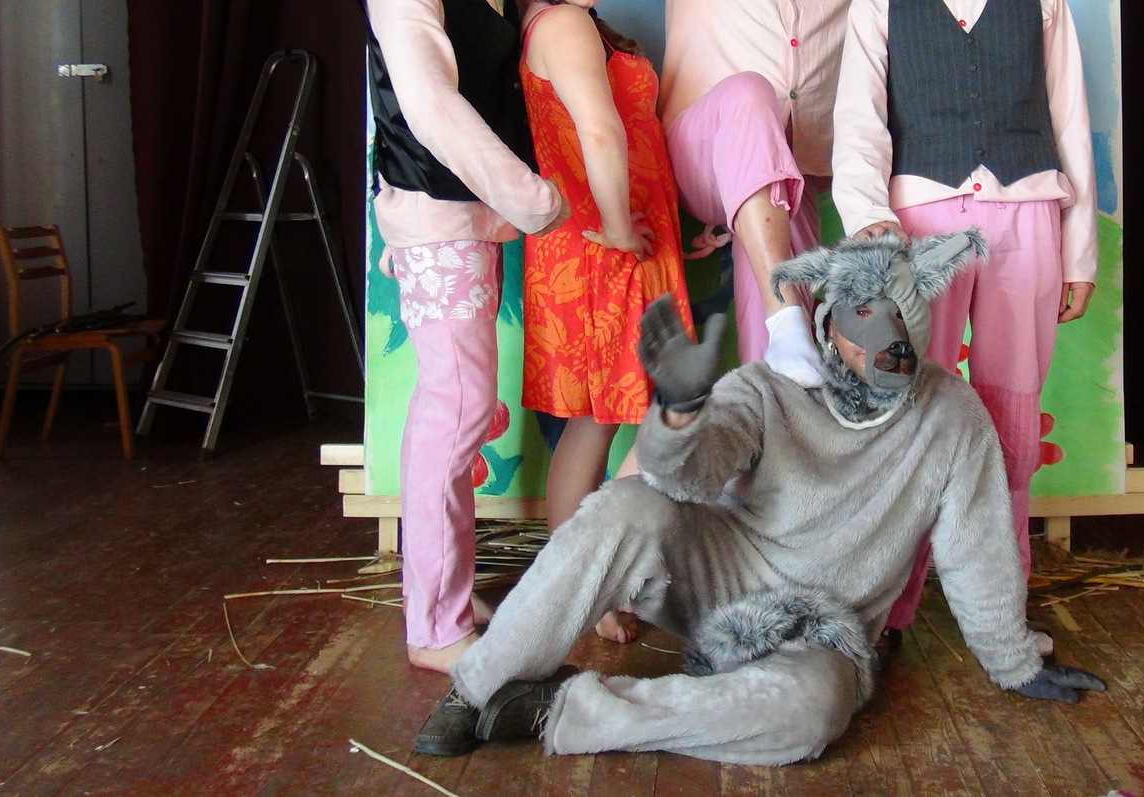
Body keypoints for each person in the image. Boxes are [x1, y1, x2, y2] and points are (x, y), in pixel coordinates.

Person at [411, 234, 1106, 765]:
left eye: (898, 318)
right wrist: (680, 414)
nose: (881, 341)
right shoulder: (770, 386)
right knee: (624, 507)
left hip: (823, 629)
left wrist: (1015, 663)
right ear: (827, 320)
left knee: (812, 712)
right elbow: (687, 478)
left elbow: (976, 548)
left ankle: (560, 709)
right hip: (717, 578)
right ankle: (478, 688)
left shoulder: (951, 417)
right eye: (862, 316)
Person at [555, 0, 976, 390]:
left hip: (792, 176)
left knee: (786, 359)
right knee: (751, 93)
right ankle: (787, 323)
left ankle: (782, 372)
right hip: (702, 153)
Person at [831, 0, 1099, 639]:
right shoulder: (880, 2)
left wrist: (1080, 251)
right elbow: (859, 123)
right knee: (914, 400)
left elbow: (1070, 121)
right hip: (920, 223)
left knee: (1012, 405)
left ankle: (998, 596)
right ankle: (894, 604)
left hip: (1026, 214)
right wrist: (871, 219)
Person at [356, 0, 569, 674]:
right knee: (455, 406)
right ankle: (434, 624)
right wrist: (528, 194)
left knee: (463, 404)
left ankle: (441, 588)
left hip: (481, 213)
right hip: (437, 209)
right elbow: (431, 106)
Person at [518, 0, 695, 641]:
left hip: (623, 242)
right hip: (604, 246)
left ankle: (579, 584)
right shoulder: (561, 24)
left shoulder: (579, 25)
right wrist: (621, 227)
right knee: (669, 407)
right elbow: (596, 127)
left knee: (595, 423)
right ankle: (593, 578)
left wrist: (678, 229)